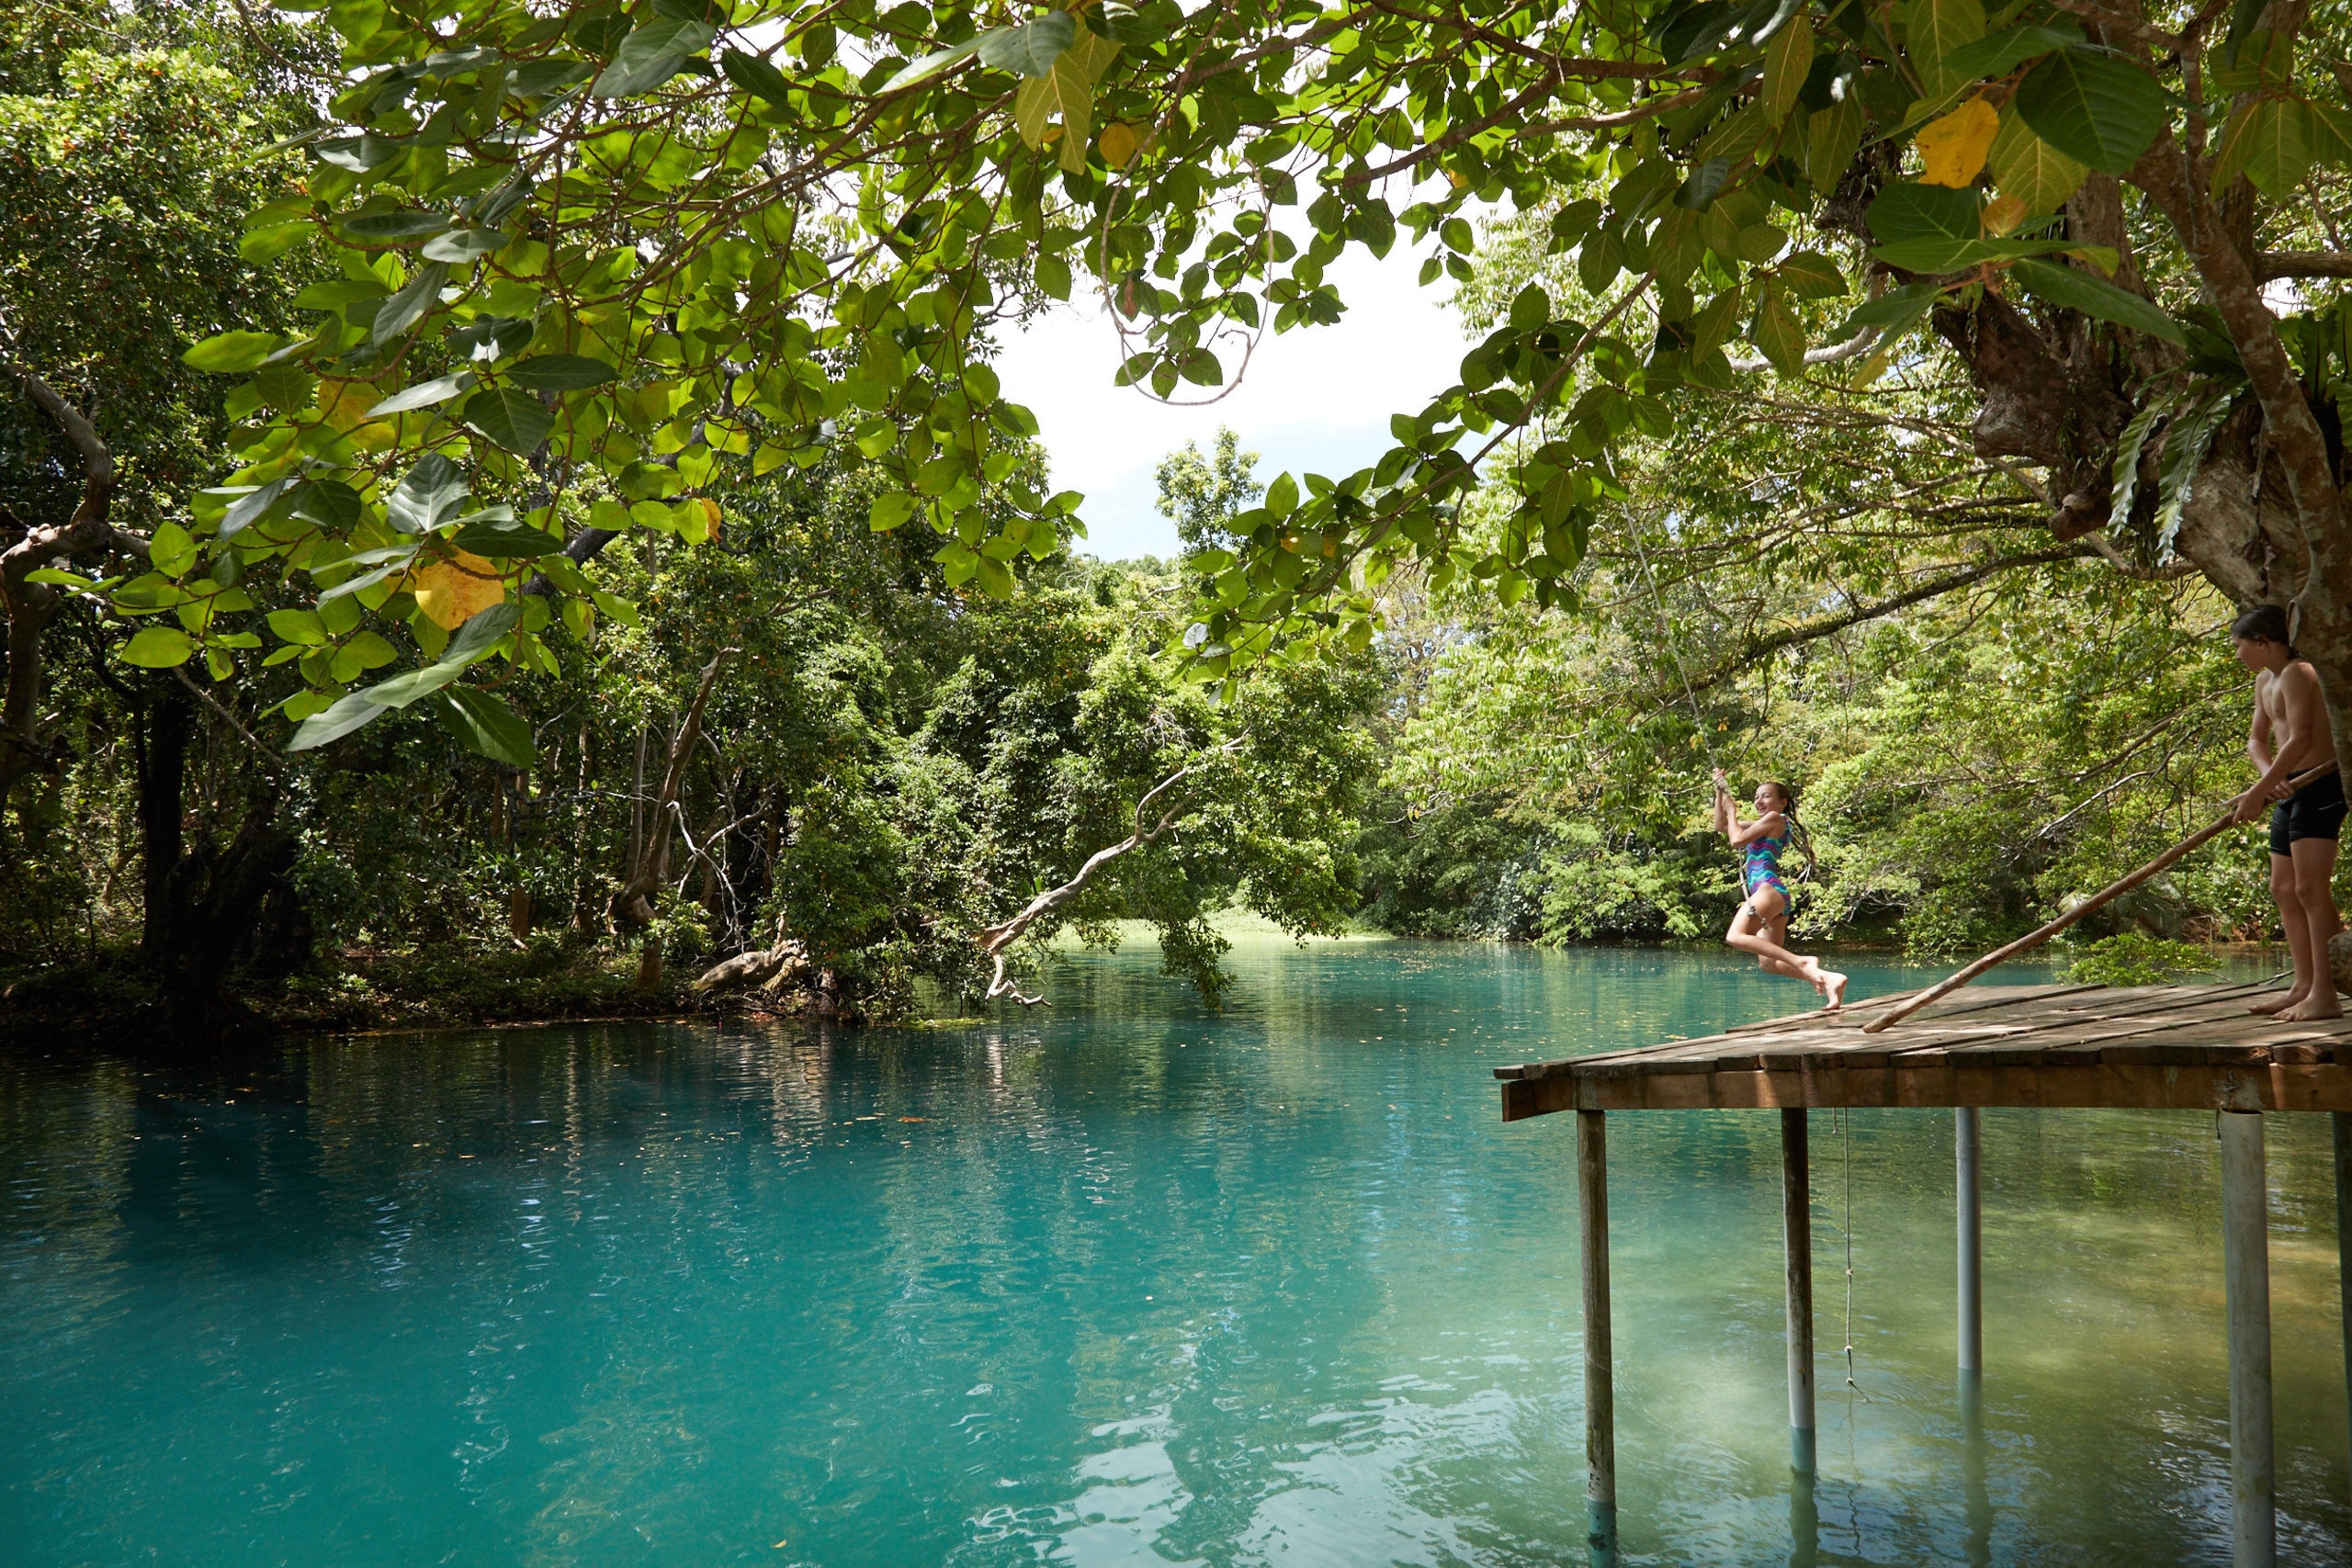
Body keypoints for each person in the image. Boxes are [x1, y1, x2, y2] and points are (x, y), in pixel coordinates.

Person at [2229, 604, 2345, 1020]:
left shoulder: (2300, 673)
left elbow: (2300, 738)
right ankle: (2302, 985)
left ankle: (2326, 994)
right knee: (2283, 888)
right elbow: (2257, 741)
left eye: (2241, 646)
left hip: (2319, 784)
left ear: (2265, 642)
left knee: (2311, 889)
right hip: (2288, 788)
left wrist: (2259, 791)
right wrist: (2268, 781)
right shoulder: (2265, 679)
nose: (2238, 654)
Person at [1713, 769, 1848, 1009]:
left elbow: (1736, 840)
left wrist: (1732, 810)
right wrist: (1719, 791)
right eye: (1756, 797)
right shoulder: (1762, 824)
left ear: (1782, 802)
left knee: (1735, 936)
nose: (1759, 801)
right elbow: (1722, 826)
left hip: (1768, 889)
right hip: (1775, 896)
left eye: (1765, 796)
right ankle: (1828, 979)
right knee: (1768, 963)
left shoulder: (1776, 819)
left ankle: (1804, 962)